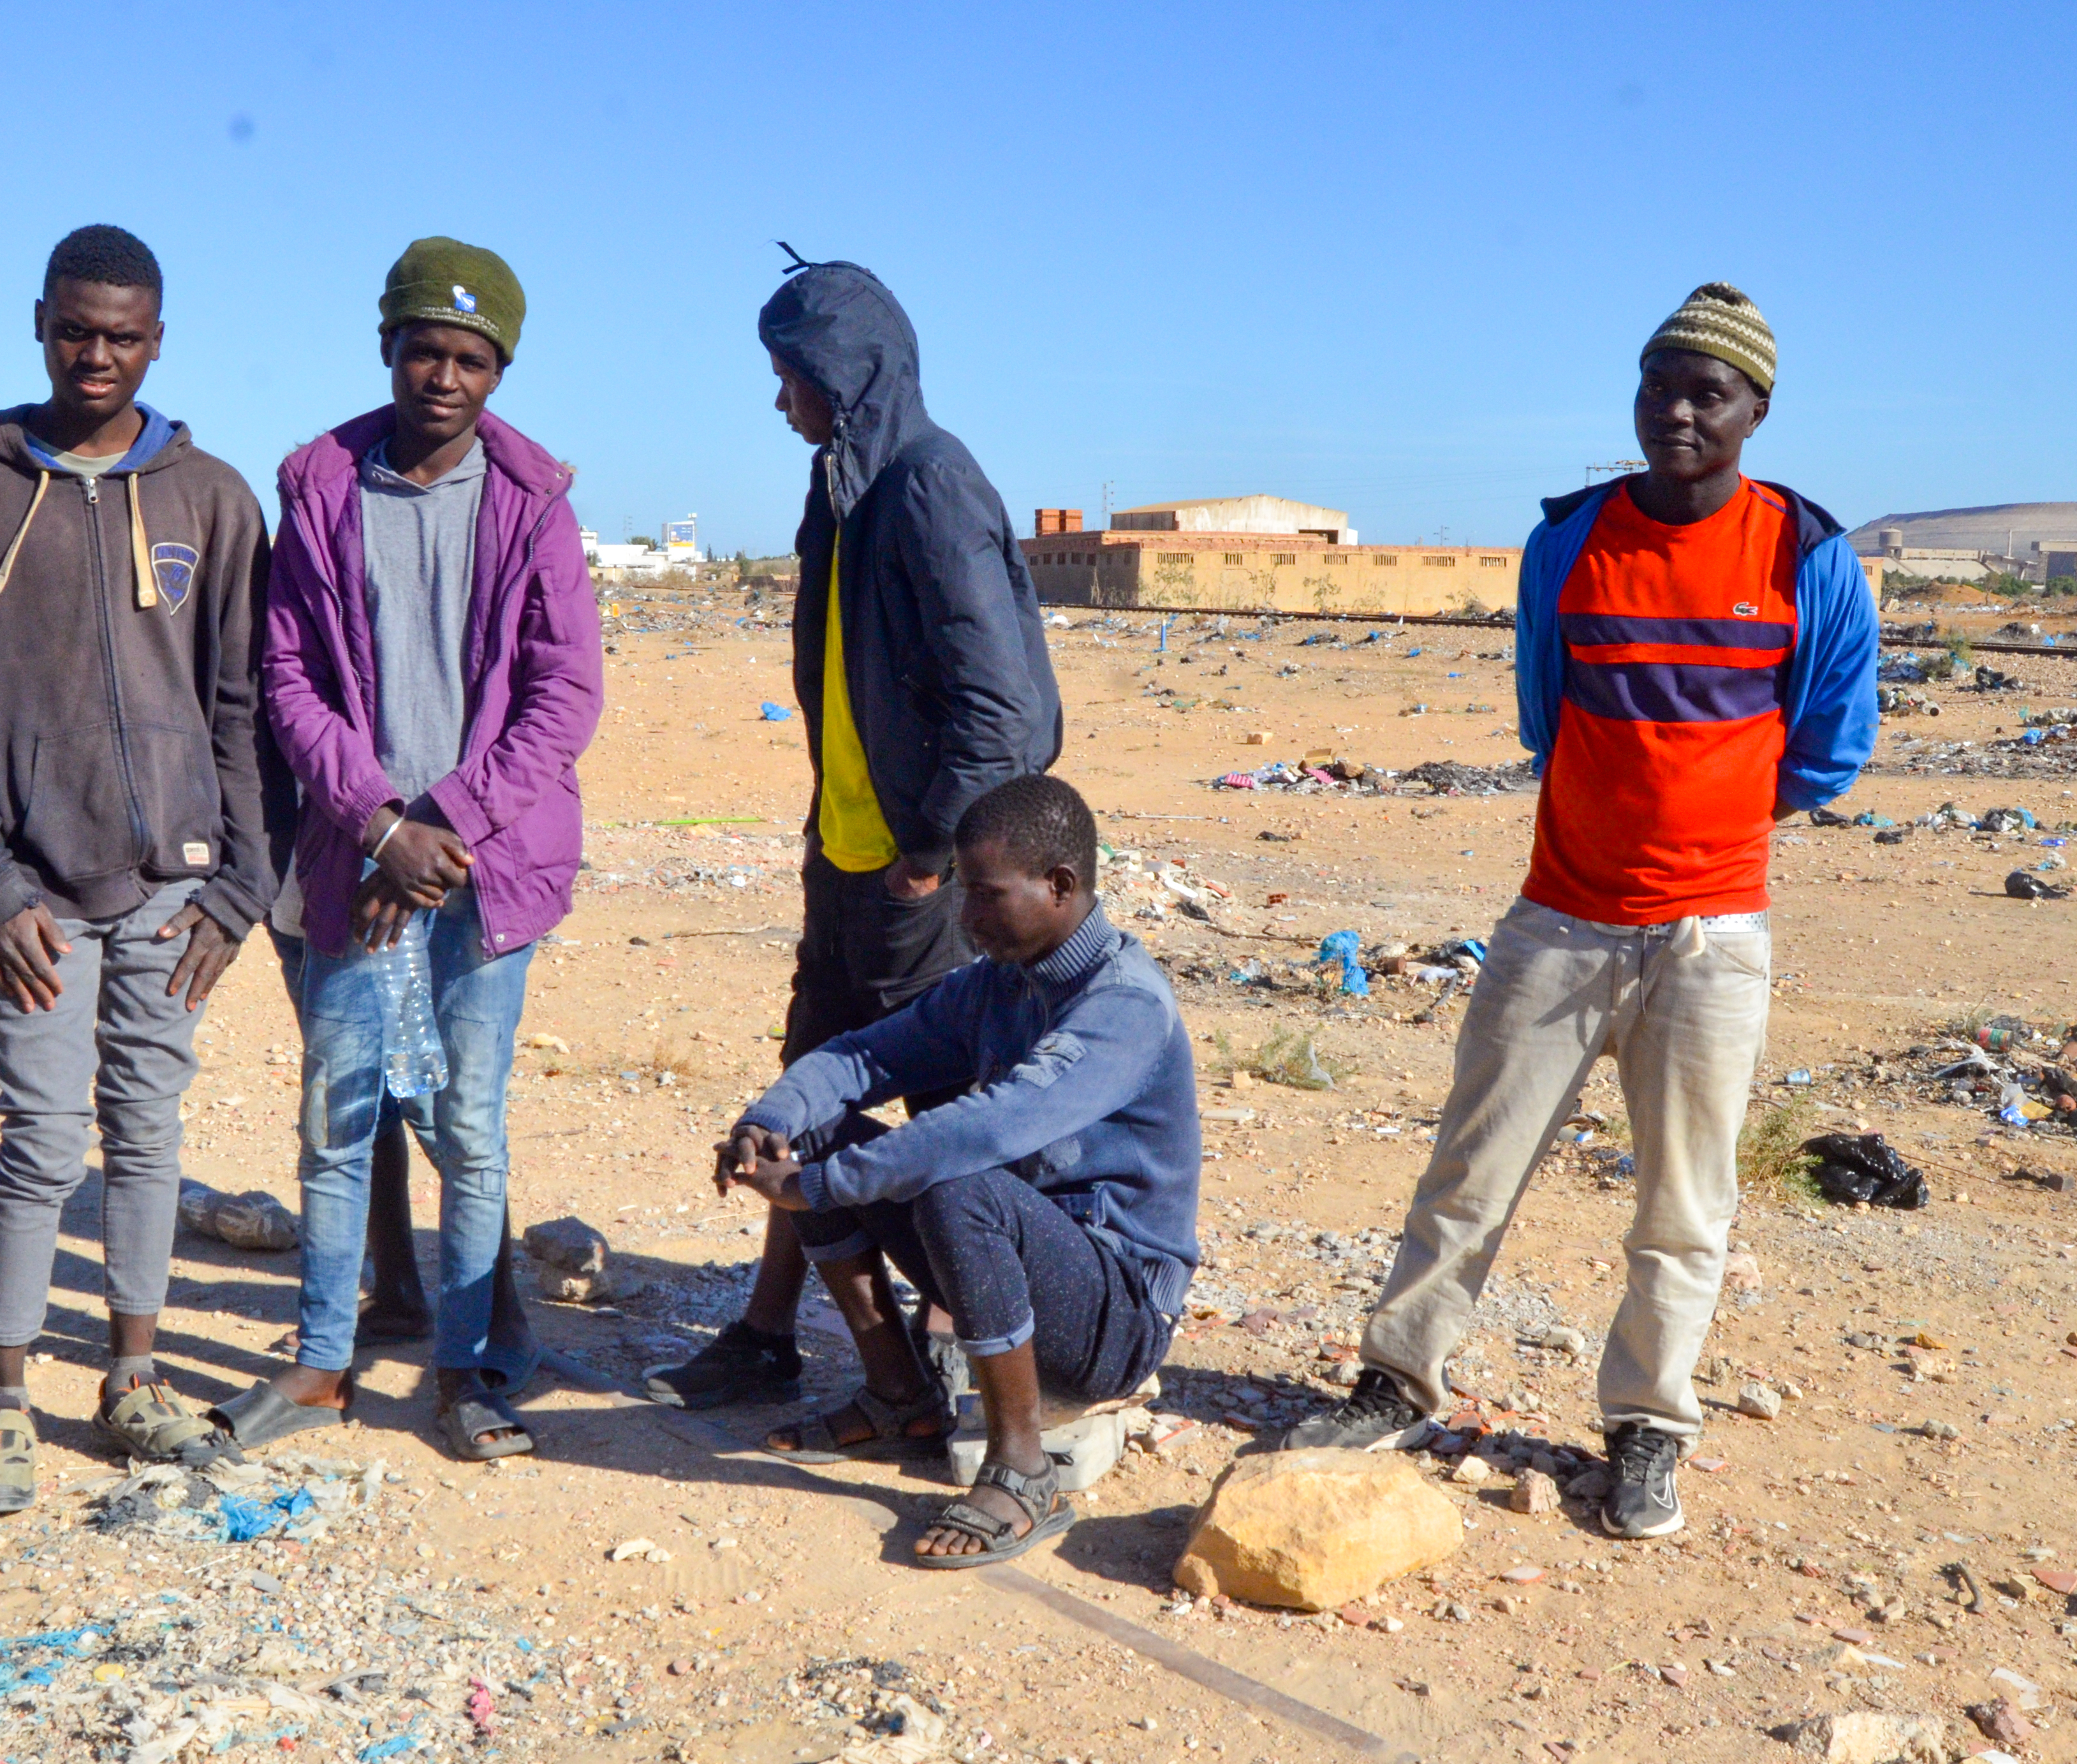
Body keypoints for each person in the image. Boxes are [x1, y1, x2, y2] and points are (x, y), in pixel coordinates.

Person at [1284, 284, 1879, 1540]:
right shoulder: (1567, 543)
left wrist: (1701, 822)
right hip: (1559, 920)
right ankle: (1396, 1381)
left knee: (1687, 1205)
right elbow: (1544, 719)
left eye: (1705, 394)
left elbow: (1829, 751)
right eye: (1657, 385)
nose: (1675, 411)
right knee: (1472, 1167)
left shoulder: (1810, 558)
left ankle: (1648, 1427)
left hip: (1715, 941)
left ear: (1756, 413)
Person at [0, 224, 279, 1516]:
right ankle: (1, 1396)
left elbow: (242, 706)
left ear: (158, 341)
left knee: (150, 1130)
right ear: (41, 326)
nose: (96, 354)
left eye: (123, 335)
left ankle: (132, 1375)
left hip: (176, 889)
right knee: (41, 1141)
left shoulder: (213, 497)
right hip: (35, 897)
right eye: (76, 330)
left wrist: (242, 888)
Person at [645, 251, 1063, 1411]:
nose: (780, 400)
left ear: (850, 373)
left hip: (912, 883)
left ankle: (967, 1366)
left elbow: (1006, 712)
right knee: (806, 1092)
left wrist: (929, 859)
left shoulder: (926, 484)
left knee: (941, 1125)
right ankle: (777, 1333)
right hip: (848, 863)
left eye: (791, 376)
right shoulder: (846, 484)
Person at [224, 238, 602, 1461]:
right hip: (358, 858)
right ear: (386, 347)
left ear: (500, 371)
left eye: (472, 359)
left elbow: (567, 693)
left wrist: (444, 830)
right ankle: (324, 1362)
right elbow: (286, 676)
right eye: (425, 350)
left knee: (467, 1127)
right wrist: (379, 827)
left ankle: (469, 1366)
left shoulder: (534, 504)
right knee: (337, 1119)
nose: (444, 376)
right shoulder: (323, 491)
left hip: (485, 875)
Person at [717, 775, 1198, 1564]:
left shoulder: (1124, 1005)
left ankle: (1023, 1472)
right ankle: (901, 1398)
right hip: (1015, 1263)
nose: (966, 921)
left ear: (1061, 886)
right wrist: (769, 1125)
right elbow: (864, 1056)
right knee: (827, 1135)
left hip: (1116, 1314)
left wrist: (815, 1190)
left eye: (984, 896)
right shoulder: (995, 985)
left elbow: (988, 1128)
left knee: (954, 1177)